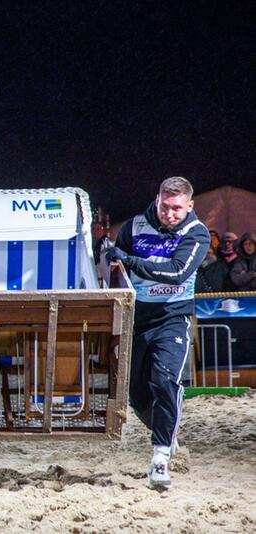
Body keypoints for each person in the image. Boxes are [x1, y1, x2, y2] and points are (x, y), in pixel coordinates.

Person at [105, 177, 210, 488]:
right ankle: (167, 431)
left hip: (172, 317)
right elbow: (116, 265)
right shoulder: (134, 226)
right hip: (136, 319)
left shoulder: (196, 233)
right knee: (136, 393)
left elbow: (178, 272)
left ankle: (160, 457)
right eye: (165, 206)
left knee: (164, 380)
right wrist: (115, 262)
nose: (170, 213)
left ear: (189, 206)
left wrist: (131, 261)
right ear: (157, 199)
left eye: (177, 208)